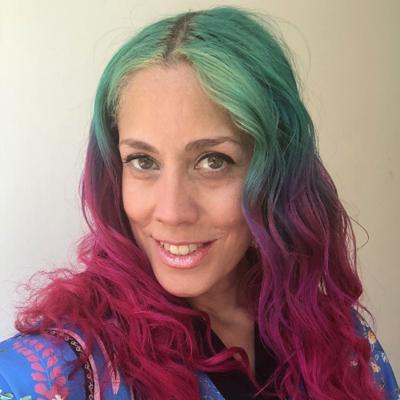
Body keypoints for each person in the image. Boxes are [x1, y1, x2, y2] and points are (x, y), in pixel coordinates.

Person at [0, 6, 398, 400]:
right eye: (143, 161)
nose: (172, 212)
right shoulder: (52, 375)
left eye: (213, 161)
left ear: (275, 173)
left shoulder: (339, 338)